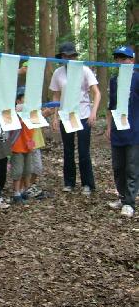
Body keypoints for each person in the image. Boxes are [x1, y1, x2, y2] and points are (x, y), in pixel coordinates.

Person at [49, 42, 101, 195]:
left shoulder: (84, 70)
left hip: (84, 115)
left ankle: (87, 184)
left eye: (72, 55)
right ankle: (69, 182)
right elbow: (56, 95)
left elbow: (97, 93)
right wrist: (54, 116)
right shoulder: (58, 73)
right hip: (66, 115)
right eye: (66, 56)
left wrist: (94, 112)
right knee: (68, 150)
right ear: (61, 58)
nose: (69, 58)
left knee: (84, 151)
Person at [105, 46, 138, 217]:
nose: (121, 62)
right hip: (118, 131)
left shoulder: (138, 78)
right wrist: (109, 126)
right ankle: (122, 196)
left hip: (134, 131)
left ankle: (130, 203)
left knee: (132, 167)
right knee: (118, 167)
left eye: (124, 58)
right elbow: (111, 106)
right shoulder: (114, 80)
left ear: (132, 60)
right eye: (118, 58)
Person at [10, 87, 35, 203]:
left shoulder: (30, 111)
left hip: (28, 144)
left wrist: (48, 111)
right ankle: (16, 193)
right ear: (18, 100)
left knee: (27, 169)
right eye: (25, 98)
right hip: (17, 145)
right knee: (18, 170)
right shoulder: (14, 112)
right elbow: (12, 122)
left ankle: (24, 190)